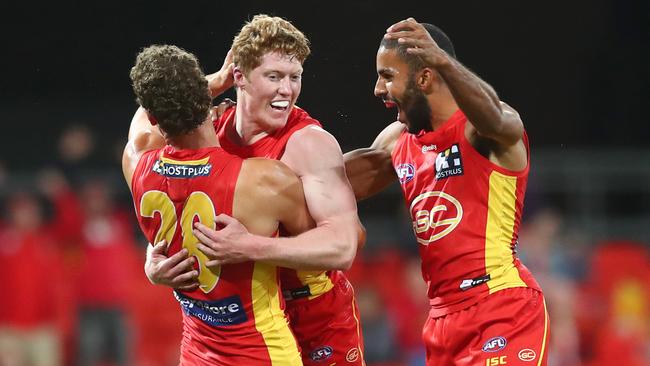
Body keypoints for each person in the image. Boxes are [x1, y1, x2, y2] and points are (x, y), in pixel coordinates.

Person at [145, 15, 367, 366]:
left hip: (312, 315)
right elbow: (154, 112)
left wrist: (249, 246)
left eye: (295, 78)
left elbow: (343, 247)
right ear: (239, 77)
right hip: (241, 322)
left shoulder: (309, 144)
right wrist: (153, 261)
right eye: (274, 77)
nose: (287, 90)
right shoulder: (211, 130)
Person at [343, 18, 549, 365]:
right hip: (441, 322)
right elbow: (326, 184)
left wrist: (443, 61)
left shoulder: (481, 128)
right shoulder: (398, 142)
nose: (378, 89)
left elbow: (498, 121)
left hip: (501, 308)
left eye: (388, 76)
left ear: (425, 77)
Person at [123, 44, 315, 365]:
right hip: (263, 353)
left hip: (198, 353)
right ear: (204, 98)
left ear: (157, 118)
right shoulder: (263, 179)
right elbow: (324, 249)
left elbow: (142, 117)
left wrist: (213, 81)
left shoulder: (136, 161)